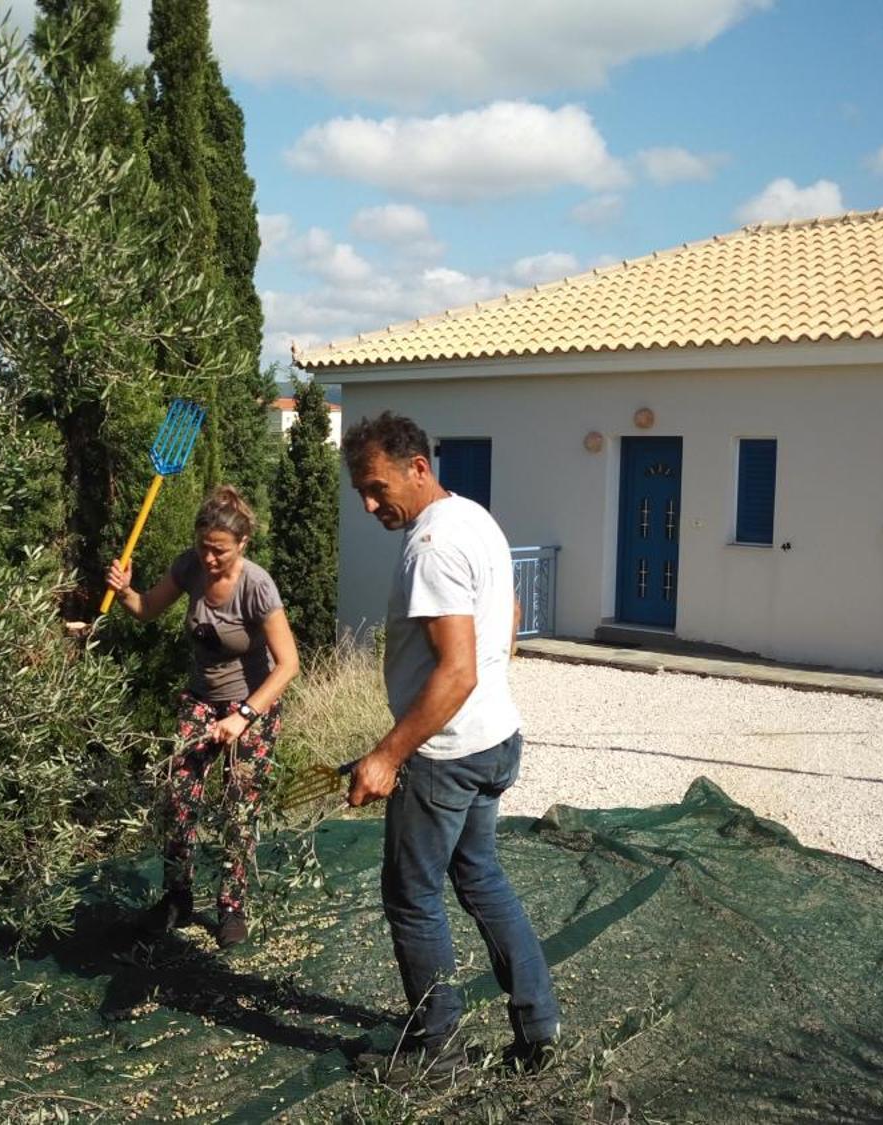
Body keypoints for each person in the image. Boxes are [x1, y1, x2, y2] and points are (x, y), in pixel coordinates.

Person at [342, 411, 560, 1083]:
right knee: (480, 875)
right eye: (361, 492)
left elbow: (456, 671)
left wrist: (387, 755)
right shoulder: (474, 518)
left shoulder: (431, 544)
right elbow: (511, 617)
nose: (372, 504)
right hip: (495, 737)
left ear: (419, 468)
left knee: (412, 896)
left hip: (447, 754)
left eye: (378, 487)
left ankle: (440, 1052)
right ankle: (539, 1024)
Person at [106, 485, 300, 949]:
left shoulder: (257, 586)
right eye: (204, 547)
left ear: (242, 544)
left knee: (239, 806)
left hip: (251, 706)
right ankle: (177, 897)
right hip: (199, 700)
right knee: (177, 798)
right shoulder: (189, 567)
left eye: (220, 551)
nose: (210, 559)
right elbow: (147, 611)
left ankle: (231, 906)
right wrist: (124, 590)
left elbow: (289, 664)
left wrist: (245, 716)